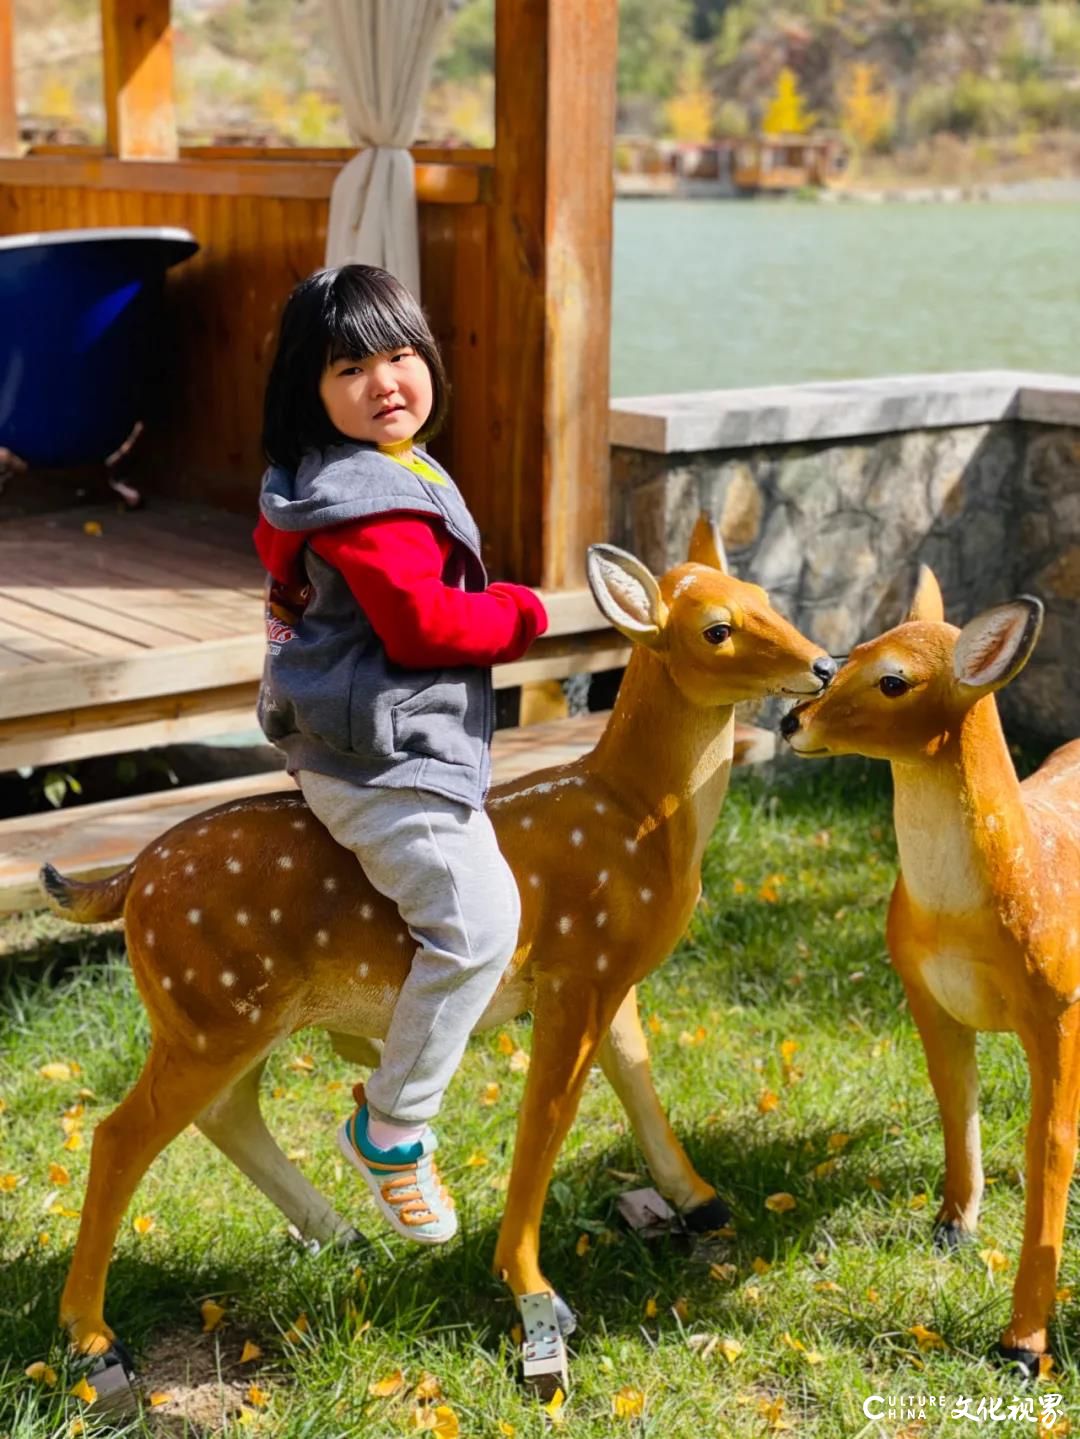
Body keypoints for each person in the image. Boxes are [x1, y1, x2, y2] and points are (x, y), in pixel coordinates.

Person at [253, 264, 548, 1243]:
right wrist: (517, 609)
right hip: (372, 755)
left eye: (400, 354)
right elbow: (423, 626)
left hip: (360, 722)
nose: (385, 381)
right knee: (478, 922)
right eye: (350, 367)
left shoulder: (384, 464)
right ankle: (394, 1125)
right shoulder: (367, 504)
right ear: (310, 391)